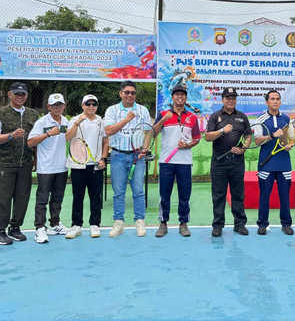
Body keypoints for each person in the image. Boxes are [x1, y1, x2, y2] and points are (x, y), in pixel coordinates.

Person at [0, 82, 39, 245]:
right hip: (6, 163)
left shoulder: (33, 115)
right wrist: (11, 135)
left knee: (22, 197)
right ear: (10, 94)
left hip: (25, 163)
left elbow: (35, 140)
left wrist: (36, 158)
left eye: (23, 94)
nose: (20, 96)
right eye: (17, 94)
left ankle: (15, 228)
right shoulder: (0, 114)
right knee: (3, 197)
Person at [104, 81, 153, 238]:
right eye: (126, 92)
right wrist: (126, 119)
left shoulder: (142, 110)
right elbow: (109, 131)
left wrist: (144, 149)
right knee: (119, 192)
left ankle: (139, 221)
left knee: (138, 191)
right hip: (118, 155)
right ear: (120, 93)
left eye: (132, 92)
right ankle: (119, 223)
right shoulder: (112, 110)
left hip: (136, 157)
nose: (130, 95)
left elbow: (147, 133)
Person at [154, 86, 201, 237]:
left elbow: (197, 138)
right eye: (177, 95)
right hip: (166, 161)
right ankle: (163, 223)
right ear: (172, 98)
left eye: (182, 95)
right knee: (164, 194)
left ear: (186, 98)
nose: (180, 97)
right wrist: (163, 120)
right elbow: (153, 132)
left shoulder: (192, 117)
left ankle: (183, 223)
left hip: (185, 162)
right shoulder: (163, 114)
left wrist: (188, 145)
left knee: (184, 194)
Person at [205, 87, 251, 237]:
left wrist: (243, 148)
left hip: (237, 161)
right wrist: (222, 131)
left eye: (233, 98)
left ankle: (240, 224)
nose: (231, 100)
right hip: (219, 161)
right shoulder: (215, 116)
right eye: (228, 98)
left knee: (238, 193)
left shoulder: (242, 117)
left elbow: (248, 136)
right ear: (222, 99)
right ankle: (218, 225)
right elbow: (208, 137)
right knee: (219, 194)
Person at [64, 94, 109, 240]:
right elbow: (68, 137)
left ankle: (95, 224)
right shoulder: (74, 120)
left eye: (94, 104)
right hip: (78, 166)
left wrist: (103, 159)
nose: (91, 106)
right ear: (83, 105)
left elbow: (105, 142)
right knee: (78, 196)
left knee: (96, 197)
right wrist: (77, 123)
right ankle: (76, 225)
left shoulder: (101, 122)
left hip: (96, 166)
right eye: (88, 104)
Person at [27, 93, 71, 243]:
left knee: (57, 198)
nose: (57, 108)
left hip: (62, 167)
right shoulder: (42, 122)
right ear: (48, 107)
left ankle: (55, 223)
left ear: (64, 106)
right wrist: (48, 134)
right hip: (45, 168)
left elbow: (69, 138)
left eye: (60, 105)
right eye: (54, 105)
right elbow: (30, 142)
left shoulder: (65, 121)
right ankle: (40, 228)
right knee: (42, 199)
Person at [255, 90, 295, 235]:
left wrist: (290, 145)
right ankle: (262, 224)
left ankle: (286, 224)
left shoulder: (286, 119)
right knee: (264, 195)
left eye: (278, 99)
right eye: (272, 99)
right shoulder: (261, 119)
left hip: (284, 164)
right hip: (266, 164)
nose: (275, 101)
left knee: (285, 196)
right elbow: (257, 140)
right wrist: (272, 135)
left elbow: (291, 138)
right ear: (267, 102)